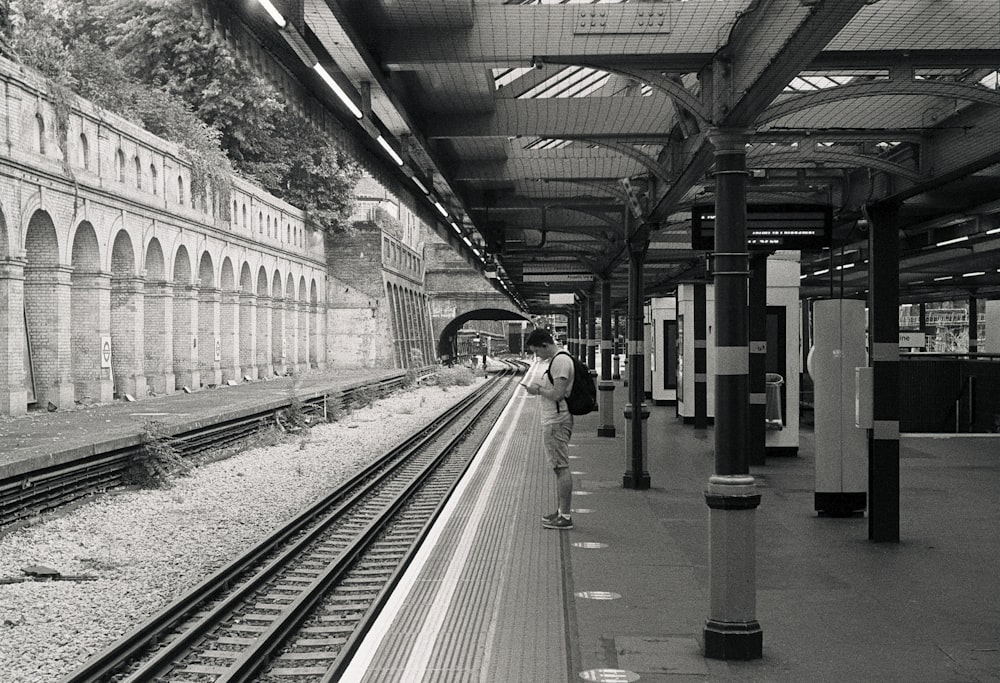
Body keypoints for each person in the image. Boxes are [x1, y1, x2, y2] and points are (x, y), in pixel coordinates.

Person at [523, 327, 575, 530]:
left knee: (561, 467)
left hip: (557, 421)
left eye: (537, 351)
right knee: (558, 467)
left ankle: (566, 515)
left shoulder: (560, 361)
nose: (537, 356)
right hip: (555, 419)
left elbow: (557, 394)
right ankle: (561, 511)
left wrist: (537, 390)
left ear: (545, 345)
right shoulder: (557, 360)